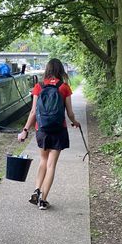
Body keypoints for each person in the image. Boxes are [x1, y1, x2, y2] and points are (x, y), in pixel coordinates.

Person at [17, 58, 80, 210]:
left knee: (43, 161)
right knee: (51, 165)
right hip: (58, 130)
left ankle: (37, 189)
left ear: (47, 70)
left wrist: (25, 130)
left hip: (42, 130)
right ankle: (43, 200)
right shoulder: (64, 88)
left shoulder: (39, 87)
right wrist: (75, 122)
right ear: (60, 70)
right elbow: (70, 112)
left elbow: (33, 111)